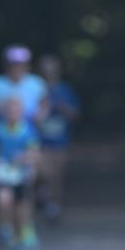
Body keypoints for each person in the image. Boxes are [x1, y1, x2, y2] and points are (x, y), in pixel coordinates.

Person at [0, 96, 41, 250]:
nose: (12, 113)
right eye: (9, 110)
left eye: (15, 110)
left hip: (21, 175)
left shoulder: (28, 130)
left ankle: (25, 232)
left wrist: (24, 159)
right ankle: (7, 231)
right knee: (4, 200)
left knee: (21, 208)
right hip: (4, 174)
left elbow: (34, 154)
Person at [36, 54, 81, 222]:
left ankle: (54, 205)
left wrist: (63, 108)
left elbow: (76, 114)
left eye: (52, 67)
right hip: (40, 141)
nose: (49, 71)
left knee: (57, 175)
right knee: (43, 173)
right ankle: (42, 196)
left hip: (61, 140)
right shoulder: (37, 88)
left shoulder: (65, 90)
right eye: (45, 67)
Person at [0, 45, 48, 125]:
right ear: (6, 65)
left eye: (20, 64)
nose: (16, 68)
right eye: (13, 64)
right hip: (0, 127)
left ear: (27, 65)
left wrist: (40, 117)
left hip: (31, 127)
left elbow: (45, 104)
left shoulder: (37, 83)